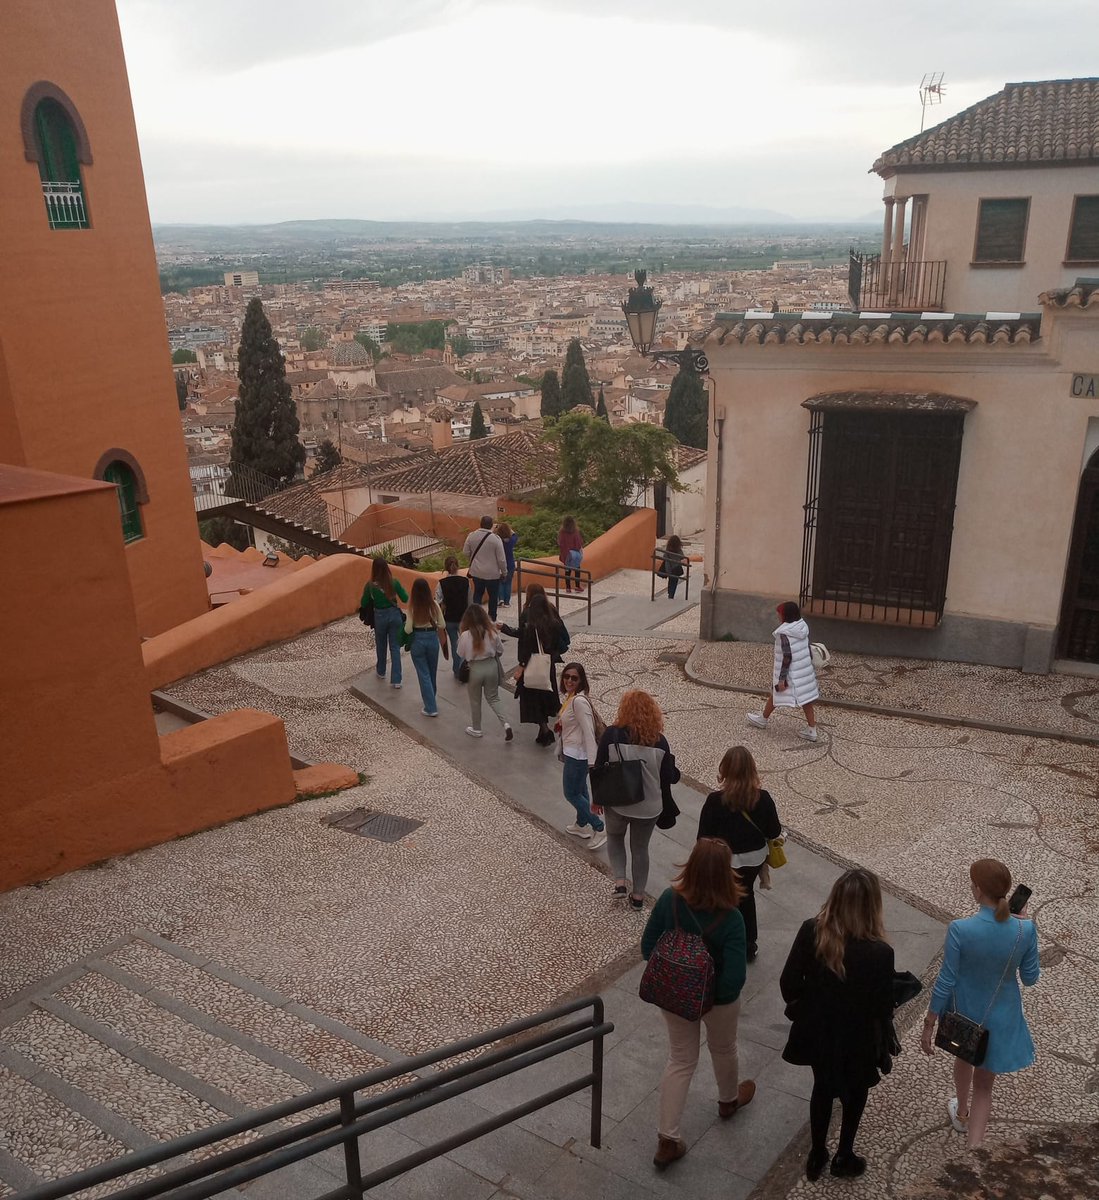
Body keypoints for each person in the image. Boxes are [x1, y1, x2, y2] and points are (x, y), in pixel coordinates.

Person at [642, 838, 754, 1170]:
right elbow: (734, 978)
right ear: (725, 874)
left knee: (680, 1060)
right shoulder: (732, 918)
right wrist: (709, 996)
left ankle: (668, 1139)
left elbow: (649, 948)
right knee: (724, 1048)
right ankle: (728, 1100)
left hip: (674, 997)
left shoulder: (669, 900)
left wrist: (680, 980)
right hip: (719, 1003)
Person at [779, 868, 895, 1180]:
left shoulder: (811, 931)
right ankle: (844, 1153)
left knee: (822, 1086)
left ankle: (817, 1152)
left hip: (818, 1032)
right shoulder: (880, 952)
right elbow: (882, 1006)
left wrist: (812, 1002)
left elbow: (788, 983)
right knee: (856, 1092)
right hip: (858, 1038)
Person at [920, 858, 1039, 1150]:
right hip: (1001, 1016)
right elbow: (1030, 978)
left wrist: (929, 1022)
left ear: (977, 889)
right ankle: (974, 1153)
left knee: (964, 1057)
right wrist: (1027, 931)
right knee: (985, 1087)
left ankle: (961, 1112)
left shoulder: (961, 929)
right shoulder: (1026, 930)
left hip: (965, 1011)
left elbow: (946, 980)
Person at [593, 690, 680, 910]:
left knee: (614, 837)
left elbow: (599, 766)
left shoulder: (611, 735)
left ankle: (620, 883)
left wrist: (596, 798)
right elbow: (668, 777)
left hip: (618, 801)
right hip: (648, 806)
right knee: (640, 849)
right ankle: (639, 897)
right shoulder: (660, 742)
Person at [697, 746, 782, 963]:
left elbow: (703, 837)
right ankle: (748, 944)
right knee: (746, 896)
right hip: (754, 859)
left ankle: (721, 941)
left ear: (725, 769)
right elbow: (773, 831)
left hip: (724, 861)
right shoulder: (763, 799)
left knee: (722, 899)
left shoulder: (715, 801)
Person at [747, 600, 820, 741]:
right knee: (806, 700)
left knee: (777, 691)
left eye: (779, 614)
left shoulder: (784, 633)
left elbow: (787, 657)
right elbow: (806, 649)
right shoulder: (802, 627)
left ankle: (762, 719)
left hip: (792, 673)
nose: (778, 617)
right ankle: (811, 729)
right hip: (804, 672)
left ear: (785, 615)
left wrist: (782, 678)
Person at [553, 663, 606, 849]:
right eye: (566, 676)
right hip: (574, 751)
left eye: (574, 678)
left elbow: (589, 732)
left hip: (578, 755)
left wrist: (593, 763)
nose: (569, 680)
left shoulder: (579, 701)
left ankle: (599, 827)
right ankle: (581, 825)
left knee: (571, 793)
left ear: (581, 680)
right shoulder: (571, 698)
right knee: (581, 790)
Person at [508, 592, 570, 744]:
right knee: (545, 696)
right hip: (547, 666)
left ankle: (545, 730)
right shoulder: (554, 624)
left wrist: (521, 667)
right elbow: (559, 645)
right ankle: (543, 733)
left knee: (533, 700)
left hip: (533, 667)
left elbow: (526, 650)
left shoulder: (532, 627)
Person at [457, 603, 513, 741]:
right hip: (491, 666)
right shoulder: (492, 632)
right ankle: (506, 724)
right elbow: (500, 651)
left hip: (475, 668)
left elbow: (460, 653)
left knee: (475, 700)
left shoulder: (465, 635)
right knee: (493, 698)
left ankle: (477, 729)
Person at [361, 557, 408, 689]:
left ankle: (381, 671)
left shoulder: (370, 585)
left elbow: (363, 603)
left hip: (380, 617)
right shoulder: (394, 582)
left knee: (381, 645)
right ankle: (396, 680)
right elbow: (405, 598)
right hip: (394, 616)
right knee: (395, 647)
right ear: (387, 568)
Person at [404, 577, 447, 717]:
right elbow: (442, 625)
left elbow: (408, 629)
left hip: (418, 640)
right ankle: (431, 699)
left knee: (423, 674)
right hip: (432, 639)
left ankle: (430, 707)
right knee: (432, 672)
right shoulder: (434, 605)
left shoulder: (413, 607)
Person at [463, 516, 507, 620]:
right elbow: (501, 559)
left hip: (477, 572)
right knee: (493, 597)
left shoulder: (471, 536)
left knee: (477, 594)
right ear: (491, 525)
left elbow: (465, 552)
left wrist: (473, 560)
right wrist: (504, 572)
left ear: (480, 524)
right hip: (492, 574)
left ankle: (476, 618)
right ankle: (492, 619)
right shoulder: (496, 539)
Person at [434, 556, 470, 680]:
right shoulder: (465, 581)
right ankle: (464, 668)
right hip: (463, 618)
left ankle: (457, 669)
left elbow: (437, 601)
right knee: (465, 642)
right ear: (458, 566)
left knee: (455, 644)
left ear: (446, 568)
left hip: (449, 618)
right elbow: (469, 601)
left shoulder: (441, 583)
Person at [557, 515, 585, 593]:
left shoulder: (562, 532)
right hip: (575, 554)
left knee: (567, 571)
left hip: (567, 555)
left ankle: (568, 588)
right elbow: (579, 543)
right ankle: (577, 586)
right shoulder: (575, 531)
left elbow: (560, 543)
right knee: (577, 569)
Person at [655, 534, 687, 599]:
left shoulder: (668, 550)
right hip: (676, 569)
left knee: (670, 581)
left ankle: (670, 593)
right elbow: (682, 558)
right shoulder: (679, 550)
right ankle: (671, 594)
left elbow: (664, 557)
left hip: (669, 568)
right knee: (674, 582)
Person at [496, 522, 520, 607]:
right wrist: (509, 529)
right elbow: (515, 535)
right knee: (508, 582)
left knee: (500, 582)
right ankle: (507, 602)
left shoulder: (498, 540)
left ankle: (501, 599)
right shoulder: (512, 540)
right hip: (510, 563)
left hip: (499, 564)